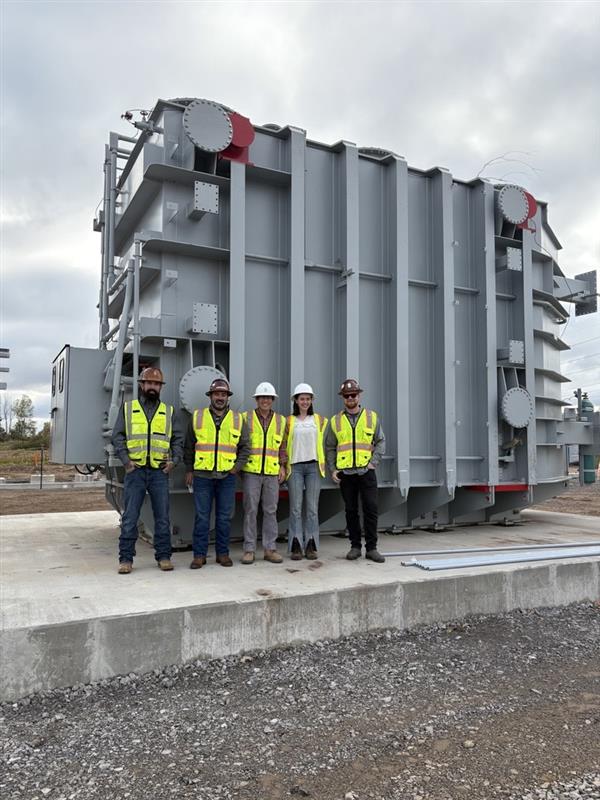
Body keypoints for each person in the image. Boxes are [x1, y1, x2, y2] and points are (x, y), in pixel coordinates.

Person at [112, 367, 184, 574]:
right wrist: (126, 462)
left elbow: (177, 439)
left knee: (162, 517)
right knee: (130, 517)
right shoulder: (128, 409)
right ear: (141, 385)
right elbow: (118, 437)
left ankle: (163, 557)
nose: (153, 387)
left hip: (159, 473)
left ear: (160, 387)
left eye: (156, 384)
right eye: (149, 383)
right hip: (135, 471)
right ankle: (126, 559)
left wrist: (175, 461)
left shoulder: (168, 412)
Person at [184, 377, 250, 568]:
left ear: (227, 397)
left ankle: (223, 554)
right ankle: (199, 555)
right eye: (216, 394)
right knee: (202, 517)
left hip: (226, 477)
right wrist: (189, 469)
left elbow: (245, 447)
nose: (220, 397)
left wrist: (236, 468)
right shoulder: (197, 417)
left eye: (223, 394)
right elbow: (189, 446)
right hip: (202, 476)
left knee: (224, 518)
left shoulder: (238, 419)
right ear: (210, 396)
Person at [324, 378, 386, 563]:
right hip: (346, 474)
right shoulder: (335, 421)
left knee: (371, 509)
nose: (350, 398)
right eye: (347, 396)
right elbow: (329, 446)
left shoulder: (371, 417)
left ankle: (372, 548)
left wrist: (373, 462)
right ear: (343, 398)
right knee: (351, 511)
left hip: (366, 472)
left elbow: (381, 440)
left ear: (359, 396)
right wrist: (333, 469)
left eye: (353, 395)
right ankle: (355, 546)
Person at [241, 382, 287, 564]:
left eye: (268, 398)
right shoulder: (246, 418)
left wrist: (282, 466)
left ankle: (270, 549)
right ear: (257, 399)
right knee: (250, 510)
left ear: (273, 400)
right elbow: (241, 445)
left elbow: (282, 446)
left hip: (271, 472)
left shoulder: (281, 421)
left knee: (270, 511)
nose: (265, 401)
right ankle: (249, 550)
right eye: (262, 397)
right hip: (251, 472)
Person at [284, 383, 328, 560]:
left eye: (308, 399)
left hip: (314, 467)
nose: (305, 402)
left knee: (312, 509)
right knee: (295, 508)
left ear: (311, 401)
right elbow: (283, 444)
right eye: (302, 399)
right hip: (294, 467)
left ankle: (311, 544)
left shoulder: (320, 420)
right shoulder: (288, 421)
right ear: (296, 400)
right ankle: (296, 545)